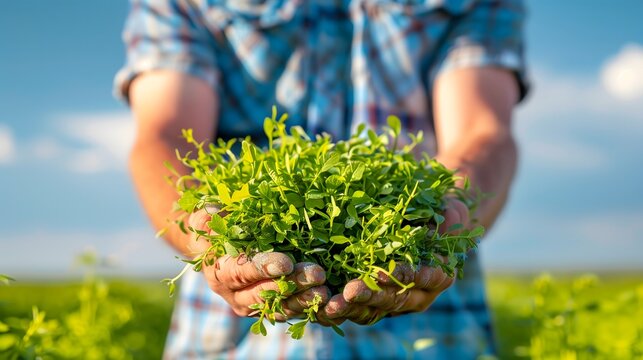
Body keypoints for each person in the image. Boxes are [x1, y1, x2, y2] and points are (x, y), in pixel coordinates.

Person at [115, 0, 528, 358]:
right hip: (231, 337)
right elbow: (165, 132)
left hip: (432, 335)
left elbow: (482, 132)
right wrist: (202, 233)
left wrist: (451, 210)